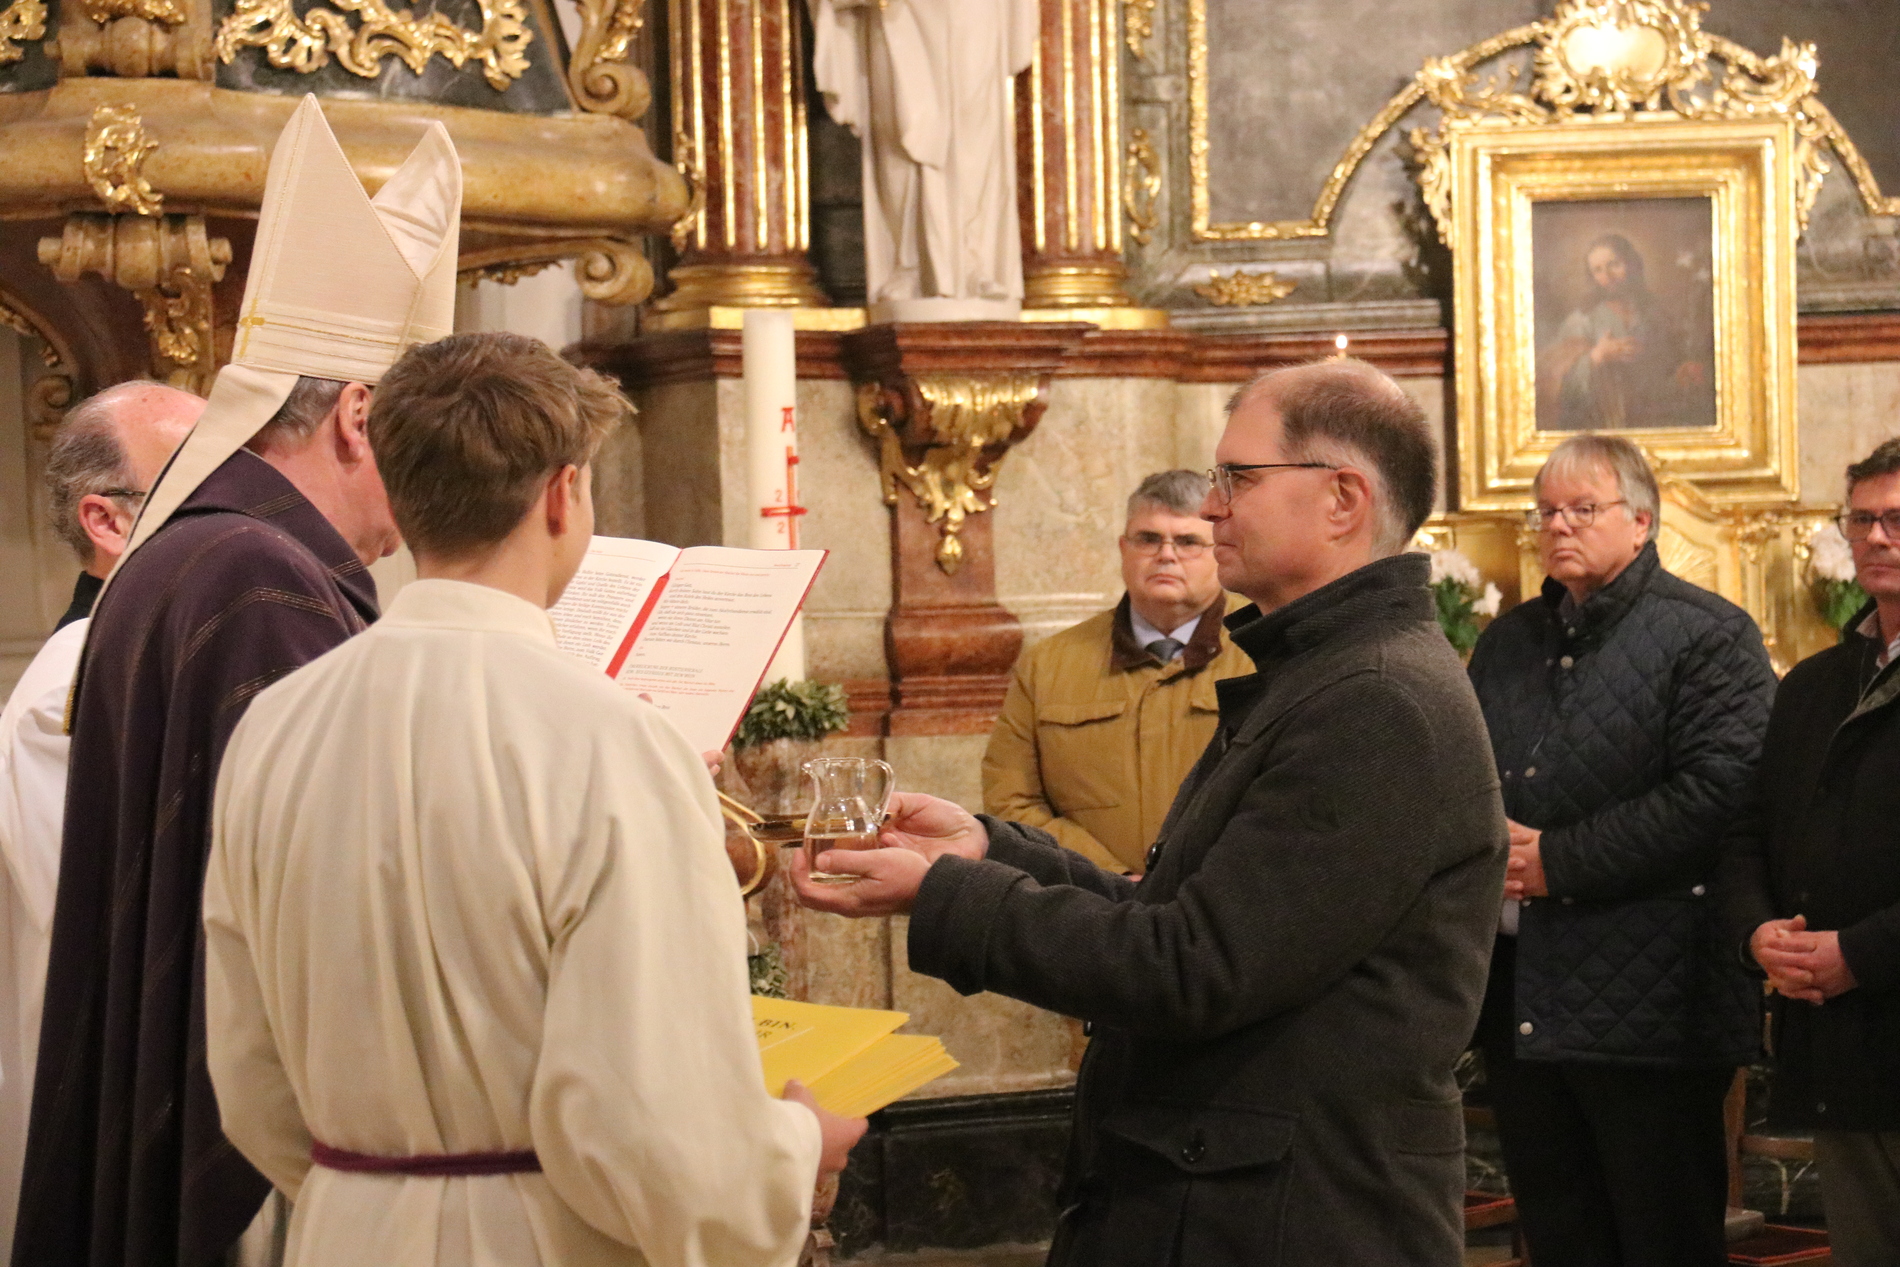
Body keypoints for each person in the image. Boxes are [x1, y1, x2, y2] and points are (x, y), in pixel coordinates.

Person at [795, 358, 1508, 1266]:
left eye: (1237, 478)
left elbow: (1193, 968)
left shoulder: (1375, 700)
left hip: (1291, 1217)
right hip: (1234, 1197)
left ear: (1342, 499)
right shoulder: (1326, 673)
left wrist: (944, 895)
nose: (1212, 507)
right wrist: (982, 850)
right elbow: (1178, 912)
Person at [201, 332, 858, 1267]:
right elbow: (652, 1126)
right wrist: (792, 1151)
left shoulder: (276, 724)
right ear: (563, 493)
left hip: (347, 1229)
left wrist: (383, 1192)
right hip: (543, 1239)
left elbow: (249, 1074)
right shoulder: (613, 741)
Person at [13, 96, 461, 1267]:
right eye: (419, 441)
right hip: (245, 1139)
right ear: (359, 416)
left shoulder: (200, 553)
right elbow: (334, 893)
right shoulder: (261, 580)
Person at [1466, 434, 1773, 1267]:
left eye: (1582, 508)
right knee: (1561, 1234)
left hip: (1654, 998)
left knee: (1661, 1235)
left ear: (1642, 521)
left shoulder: (1708, 634)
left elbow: (1720, 793)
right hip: (1524, 995)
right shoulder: (1508, 640)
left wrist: (1556, 860)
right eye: (1546, 511)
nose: (1558, 525)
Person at [0, 382, 200, 1259]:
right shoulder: (76, 688)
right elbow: (120, 937)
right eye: (199, 487)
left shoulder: (144, 655)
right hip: (113, 1102)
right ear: (107, 521)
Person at [1720, 438, 1900, 1267]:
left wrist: (1859, 952)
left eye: (1896, 519)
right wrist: (1760, 932)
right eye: (1861, 520)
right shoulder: (1814, 684)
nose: (1876, 537)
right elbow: (1749, 829)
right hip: (1844, 1053)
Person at [981, 469, 1250, 874]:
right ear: (1124, 549)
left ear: (1220, 550)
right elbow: (1011, 800)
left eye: (1188, 541)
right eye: (1148, 539)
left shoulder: (1264, 652)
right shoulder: (1048, 664)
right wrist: (1111, 877)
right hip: (1089, 899)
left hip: (1224, 895)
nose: (1166, 555)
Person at [811, 0, 1037, 319]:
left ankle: (974, 261)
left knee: (972, 134)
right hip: (897, 13)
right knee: (899, 136)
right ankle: (910, 264)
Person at [1537, 232, 1714, 430]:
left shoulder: (1654, 314)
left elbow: (1665, 371)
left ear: (1632, 264)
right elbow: (1556, 386)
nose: (1607, 277)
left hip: (1655, 423)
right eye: (1597, 270)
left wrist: (1681, 374)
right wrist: (1597, 356)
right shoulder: (1581, 320)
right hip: (1603, 427)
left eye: (1614, 264)